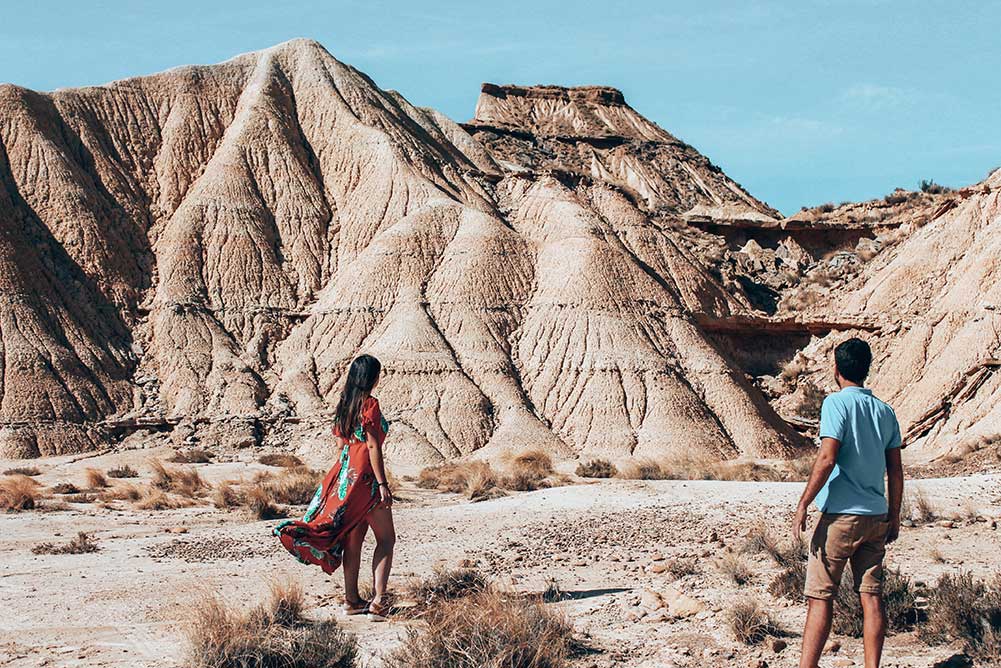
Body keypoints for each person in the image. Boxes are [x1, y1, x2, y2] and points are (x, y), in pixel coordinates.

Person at [793, 338, 904, 668]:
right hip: (876, 515)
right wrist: (894, 516)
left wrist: (803, 503)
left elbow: (827, 458)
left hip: (840, 517)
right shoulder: (886, 411)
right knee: (871, 598)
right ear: (867, 369)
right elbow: (895, 471)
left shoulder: (835, 404)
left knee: (820, 597)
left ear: (837, 370)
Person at [274, 354, 396, 622]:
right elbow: (373, 446)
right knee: (386, 539)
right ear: (372, 378)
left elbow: (342, 448)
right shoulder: (370, 405)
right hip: (365, 480)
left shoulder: (344, 406)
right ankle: (378, 603)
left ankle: (351, 600)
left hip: (345, 479)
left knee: (354, 541)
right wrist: (382, 483)